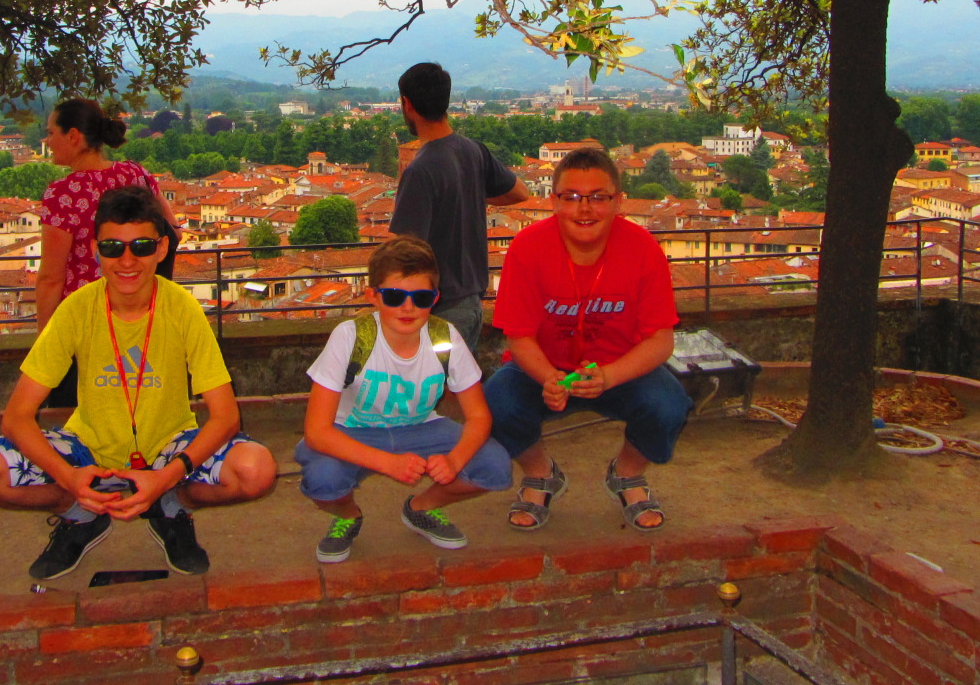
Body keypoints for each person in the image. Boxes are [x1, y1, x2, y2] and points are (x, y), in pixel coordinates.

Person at [0, 186, 276, 580]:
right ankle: (78, 510)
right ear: (95, 250)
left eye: (141, 246)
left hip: (169, 447)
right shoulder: (76, 308)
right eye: (112, 248)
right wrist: (69, 478)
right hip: (86, 448)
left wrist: (167, 477)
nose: (127, 261)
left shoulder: (182, 308)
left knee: (256, 470)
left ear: (161, 249)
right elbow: (17, 417)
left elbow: (226, 416)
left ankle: (171, 504)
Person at [483, 146, 690, 532]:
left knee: (669, 405)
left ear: (618, 201)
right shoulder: (527, 248)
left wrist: (610, 376)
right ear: (553, 200)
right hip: (544, 368)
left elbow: (661, 341)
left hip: (620, 368)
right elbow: (519, 336)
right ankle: (540, 474)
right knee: (496, 402)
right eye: (572, 197)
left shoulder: (643, 249)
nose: (584, 209)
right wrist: (548, 378)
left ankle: (627, 473)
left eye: (598, 197)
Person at [294, 236, 512, 562]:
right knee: (323, 481)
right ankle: (347, 514)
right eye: (395, 296)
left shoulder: (445, 338)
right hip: (352, 430)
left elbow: (479, 416)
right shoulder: (351, 337)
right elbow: (317, 431)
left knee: (495, 467)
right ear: (373, 296)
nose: (408, 308)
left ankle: (421, 508)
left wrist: (454, 461)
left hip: (422, 428)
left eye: (420, 298)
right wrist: (388, 463)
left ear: (435, 298)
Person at [389, 63, 529, 352]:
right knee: (457, 377)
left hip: (440, 310)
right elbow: (520, 192)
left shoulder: (420, 169)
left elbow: (401, 251)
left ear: (407, 104)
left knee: (433, 381)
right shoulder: (473, 150)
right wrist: (467, 193)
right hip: (472, 302)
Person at [35, 98, 179, 333]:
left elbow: (51, 278)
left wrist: (44, 339)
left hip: (86, 319)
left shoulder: (63, 194)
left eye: (51, 133)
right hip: (142, 313)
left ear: (73, 136)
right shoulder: (135, 173)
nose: (47, 141)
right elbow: (175, 233)